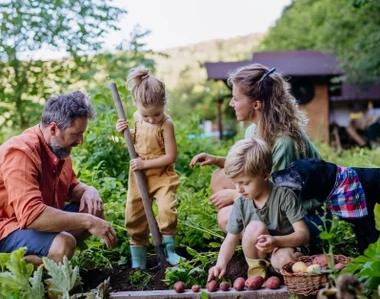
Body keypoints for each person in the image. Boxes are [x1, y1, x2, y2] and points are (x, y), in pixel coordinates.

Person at [190, 64, 321, 245]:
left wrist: (235, 196)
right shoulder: (253, 131)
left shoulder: (283, 142)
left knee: (226, 217)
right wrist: (217, 160)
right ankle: (255, 231)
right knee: (219, 177)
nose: (231, 103)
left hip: (304, 217)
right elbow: (253, 168)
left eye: (235, 98)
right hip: (272, 198)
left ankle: (269, 244)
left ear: (256, 104)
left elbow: (283, 194)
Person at [0, 91, 117, 266]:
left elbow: (70, 186)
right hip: (7, 227)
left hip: (32, 221)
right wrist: (88, 221)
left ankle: (51, 258)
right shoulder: (21, 152)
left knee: (94, 210)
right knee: (64, 244)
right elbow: (32, 215)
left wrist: (88, 190)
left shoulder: (59, 149)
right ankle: (10, 267)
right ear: (53, 128)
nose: (81, 141)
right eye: (76, 134)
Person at [208, 138, 310, 281]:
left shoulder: (284, 196)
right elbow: (230, 239)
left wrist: (276, 241)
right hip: (260, 253)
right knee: (254, 227)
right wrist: (220, 264)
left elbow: (304, 234)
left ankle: (286, 269)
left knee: (282, 259)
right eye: (236, 183)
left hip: (285, 247)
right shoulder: (241, 201)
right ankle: (258, 270)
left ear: (265, 175)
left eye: (245, 183)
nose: (239, 189)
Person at [116, 66, 183, 269]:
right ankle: (139, 258)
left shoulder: (166, 124)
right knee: (134, 214)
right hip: (138, 176)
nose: (152, 119)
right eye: (146, 116)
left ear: (164, 104)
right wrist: (123, 133)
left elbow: (171, 156)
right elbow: (135, 142)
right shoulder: (136, 118)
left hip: (162, 175)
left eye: (157, 113)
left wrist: (145, 163)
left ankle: (169, 251)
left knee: (166, 210)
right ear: (136, 105)